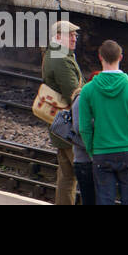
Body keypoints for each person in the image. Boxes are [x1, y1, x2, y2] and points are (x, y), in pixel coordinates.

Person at [76, 39, 128, 205]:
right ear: (120, 57)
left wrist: (92, 151)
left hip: (102, 153)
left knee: (104, 201)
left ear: (100, 57)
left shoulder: (88, 90)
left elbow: (84, 127)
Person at [42, 20, 83, 204]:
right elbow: (74, 95)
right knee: (83, 173)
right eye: (70, 35)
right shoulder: (62, 60)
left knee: (66, 176)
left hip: (59, 125)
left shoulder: (54, 54)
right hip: (70, 127)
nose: (75, 38)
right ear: (58, 37)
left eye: (75, 35)